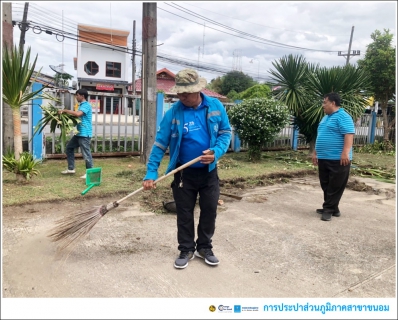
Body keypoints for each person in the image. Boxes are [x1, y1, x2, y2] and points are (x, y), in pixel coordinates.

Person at [142, 68, 232, 269]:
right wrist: (151, 172)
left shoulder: (215, 106)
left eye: (186, 93)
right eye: (179, 93)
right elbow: (159, 144)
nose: (181, 96)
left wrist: (216, 152)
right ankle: (186, 248)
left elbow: (225, 132)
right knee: (184, 212)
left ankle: (204, 247)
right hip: (183, 174)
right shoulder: (174, 113)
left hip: (209, 173)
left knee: (209, 210)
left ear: (198, 90)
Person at [312, 92, 355, 221]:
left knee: (335, 185)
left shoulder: (343, 116)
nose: (323, 105)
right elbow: (320, 136)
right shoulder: (325, 118)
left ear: (333, 103)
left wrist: (345, 153)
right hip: (324, 157)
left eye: (325, 102)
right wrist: (315, 152)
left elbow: (349, 134)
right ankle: (333, 208)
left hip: (338, 158)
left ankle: (329, 209)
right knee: (325, 184)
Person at [59, 88, 93, 179]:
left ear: (82, 96)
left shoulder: (86, 105)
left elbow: (78, 114)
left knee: (86, 153)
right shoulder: (81, 105)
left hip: (85, 134)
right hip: (79, 133)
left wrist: (65, 110)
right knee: (69, 148)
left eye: (77, 95)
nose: (76, 97)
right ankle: (71, 169)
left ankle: (89, 173)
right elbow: (76, 117)